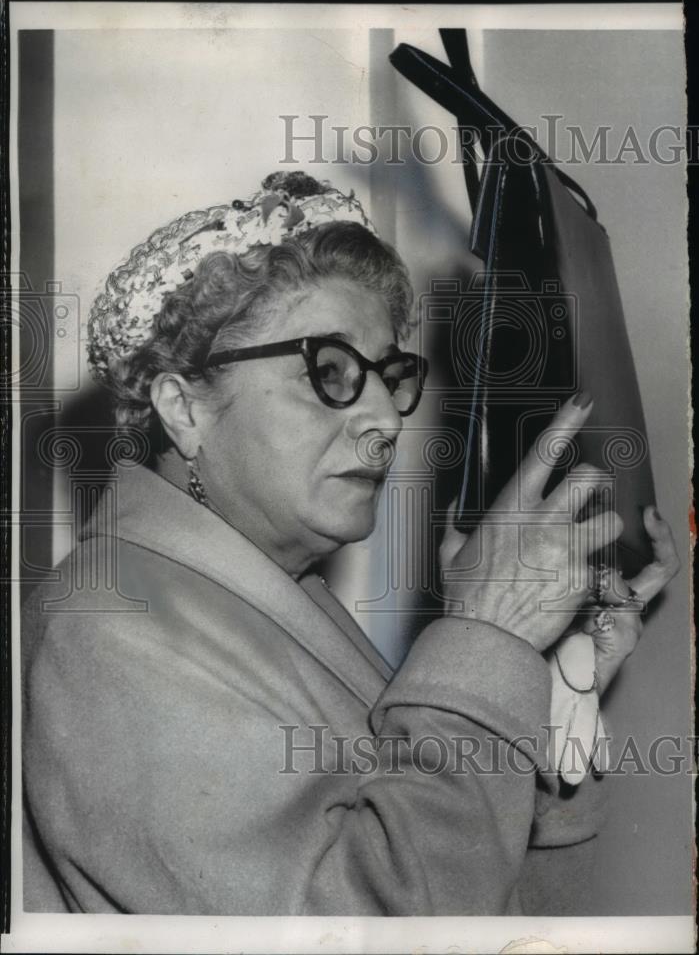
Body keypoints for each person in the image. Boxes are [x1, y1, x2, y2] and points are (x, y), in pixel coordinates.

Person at [22, 171, 679, 916]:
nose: (386, 421)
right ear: (183, 409)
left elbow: (485, 903)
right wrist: (485, 635)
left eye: (388, 376)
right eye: (328, 373)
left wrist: (534, 670)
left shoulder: (256, 592)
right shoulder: (108, 630)